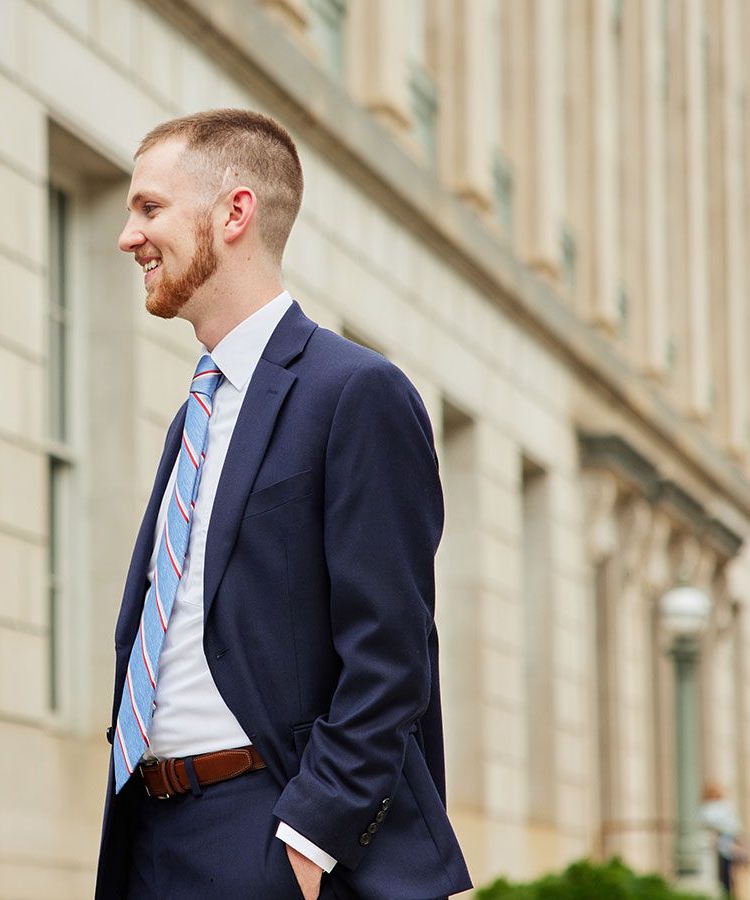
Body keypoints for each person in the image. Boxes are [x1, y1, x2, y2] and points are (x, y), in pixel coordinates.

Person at [94, 109, 473, 900]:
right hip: (149, 841)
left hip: (266, 836)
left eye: (150, 208)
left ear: (234, 212)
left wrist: (306, 844)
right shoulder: (195, 417)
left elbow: (390, 658)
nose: (128, 236)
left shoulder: (355, 392)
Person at [699, 783, 743, 897]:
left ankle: (726, 894)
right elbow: (734, 827)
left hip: (722, 845)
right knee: (724, 875)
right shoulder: (718, 808)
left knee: (723, 875)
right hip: (721, 846)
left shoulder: (708, 808)